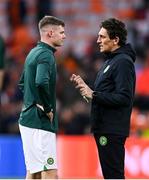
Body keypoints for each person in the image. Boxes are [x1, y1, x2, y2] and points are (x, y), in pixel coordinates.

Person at [70, 18, 136, 179]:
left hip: (112, 129)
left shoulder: (122, 62)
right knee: (111, 175)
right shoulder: (111, 61)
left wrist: (93, 94)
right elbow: (104, 94)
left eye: (102, 37)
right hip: (104, 127)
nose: (98, 40)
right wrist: (87, 91)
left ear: (115, 40)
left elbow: (124, 97)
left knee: (113, 175)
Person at [18, 16, 66, 179]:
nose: (64, 36)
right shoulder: (46, 55)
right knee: (50, 172)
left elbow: (22, 84)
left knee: (34, 173)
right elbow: (40, 82)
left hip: (27, 119)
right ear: (50, 33)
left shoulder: (33, 53)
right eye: (61, 32)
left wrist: (31, 103)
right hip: (40, 122)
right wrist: (46, 107)